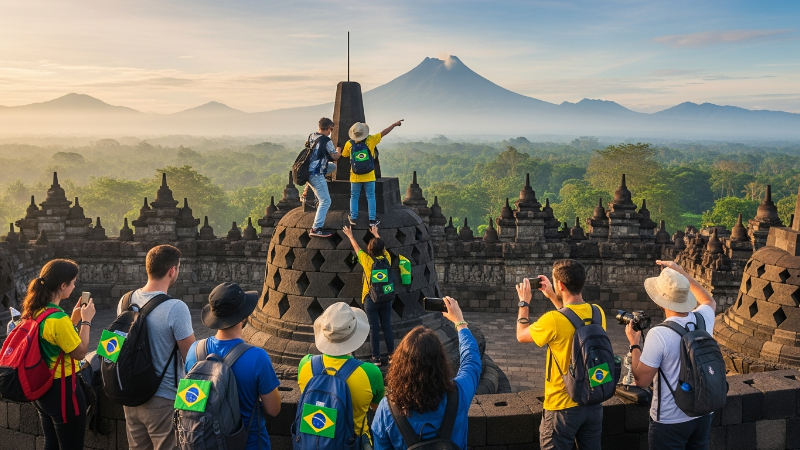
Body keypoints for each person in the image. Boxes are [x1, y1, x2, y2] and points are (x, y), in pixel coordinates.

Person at [515, 259, 606, 450]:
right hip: (593, 401)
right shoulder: (597, 313)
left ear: (561, 285)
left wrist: (524, 302)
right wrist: (552, 296)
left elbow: (522, 335)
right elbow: (572, 319)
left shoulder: (552, 320)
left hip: (561, 407)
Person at [626, 261, 717, 450]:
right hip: (703, 414)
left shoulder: (659, 334)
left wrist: (635, 344)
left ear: (660, 299)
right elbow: (709, 300)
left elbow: (642, 381)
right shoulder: (704, 318)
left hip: (670, 421)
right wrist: (682, 273)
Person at [371, 297, 480, 450]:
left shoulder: (388, 409)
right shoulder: (459, 394)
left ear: (400, 365)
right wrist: (460, 322)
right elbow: (472, 361)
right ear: (441, 362)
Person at [185, 282, 282, 450]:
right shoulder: (257, 357)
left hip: (206, 442)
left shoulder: (195, 350)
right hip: (249, 443)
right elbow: (273, 410)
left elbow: (190, 399)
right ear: (243, 316)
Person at [119, 244, 196, 450]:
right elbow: (191, 357)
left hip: (130, 395)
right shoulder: (175, 308)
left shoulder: (126, 300)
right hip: (162, 398)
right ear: (173, 271)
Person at [21, 259, 96, 450]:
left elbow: (57, 342)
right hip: (62, 389)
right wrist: (86, 322)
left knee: (51, 442)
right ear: (63, 285)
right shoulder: (58, 318)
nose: (74, 286)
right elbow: (79, 353)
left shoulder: (37, 310)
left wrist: (74, 319)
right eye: (73, 282)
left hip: (41, 387)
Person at [297, 302, 384, 448]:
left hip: (311, 444)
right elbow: (377, 407)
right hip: (352, 443)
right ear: (355, 335)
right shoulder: (370, 372)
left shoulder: (306, 364)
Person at [342, 224, 394, 365]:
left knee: (374, 328)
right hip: (387, 297)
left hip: (371, 298)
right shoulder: (387, 258)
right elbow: (382, 248)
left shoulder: (367, 261)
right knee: (387, 326)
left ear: (370, 249)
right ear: (383, 249)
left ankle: (375, 358)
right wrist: (376, 234)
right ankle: (392, 356)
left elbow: (357, 248)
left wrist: (350, 235)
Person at [341, 120, 403, 227]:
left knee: (354, 196)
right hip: (369, 175)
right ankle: (372, 220)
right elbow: (384, 133)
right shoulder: (371, 140)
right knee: (371, 196)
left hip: (355, 176)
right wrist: (394, 124)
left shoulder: (349, 143)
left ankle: (354, 218)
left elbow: (344, 155)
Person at [301, 117, 341, 238]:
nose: (331, 132)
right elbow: (335, 156)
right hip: (316, 174)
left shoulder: (311, 136)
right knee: (326, 201)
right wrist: (339, 150)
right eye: (331, 129)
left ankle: (313, 188)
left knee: (332, 167)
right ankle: (316, 228)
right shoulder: (326, 141)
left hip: (308, 171)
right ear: (328, 128)